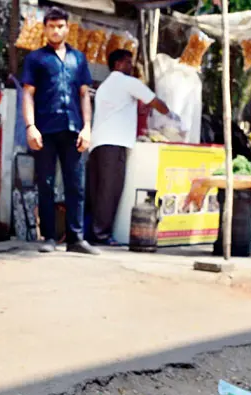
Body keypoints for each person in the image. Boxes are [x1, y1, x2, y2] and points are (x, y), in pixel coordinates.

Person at [21, 7, 94, 254]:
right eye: (51, 26)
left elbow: (84, 96)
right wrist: (30, 127)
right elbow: (28, 94)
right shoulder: (36, 59)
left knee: (77, 184)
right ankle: (50, 237)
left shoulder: (78, 59)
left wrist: (87, 128)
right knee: (46, 184)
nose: (56, 30)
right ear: (45, 29)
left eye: (60, 26)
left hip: (73, 129)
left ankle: (76, 238)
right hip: (45, 130)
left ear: (67, 28)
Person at [85, 49, 171, 246]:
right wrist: (171, 113)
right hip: (114, 144)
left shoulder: (106, 86)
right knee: (109, 191)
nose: (131, 66)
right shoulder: (128, 83)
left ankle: (92, 232)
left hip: (98, 144)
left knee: (97, 191)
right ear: (117, 64)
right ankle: (102, 235)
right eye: (127, 62)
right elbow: (156, 103)